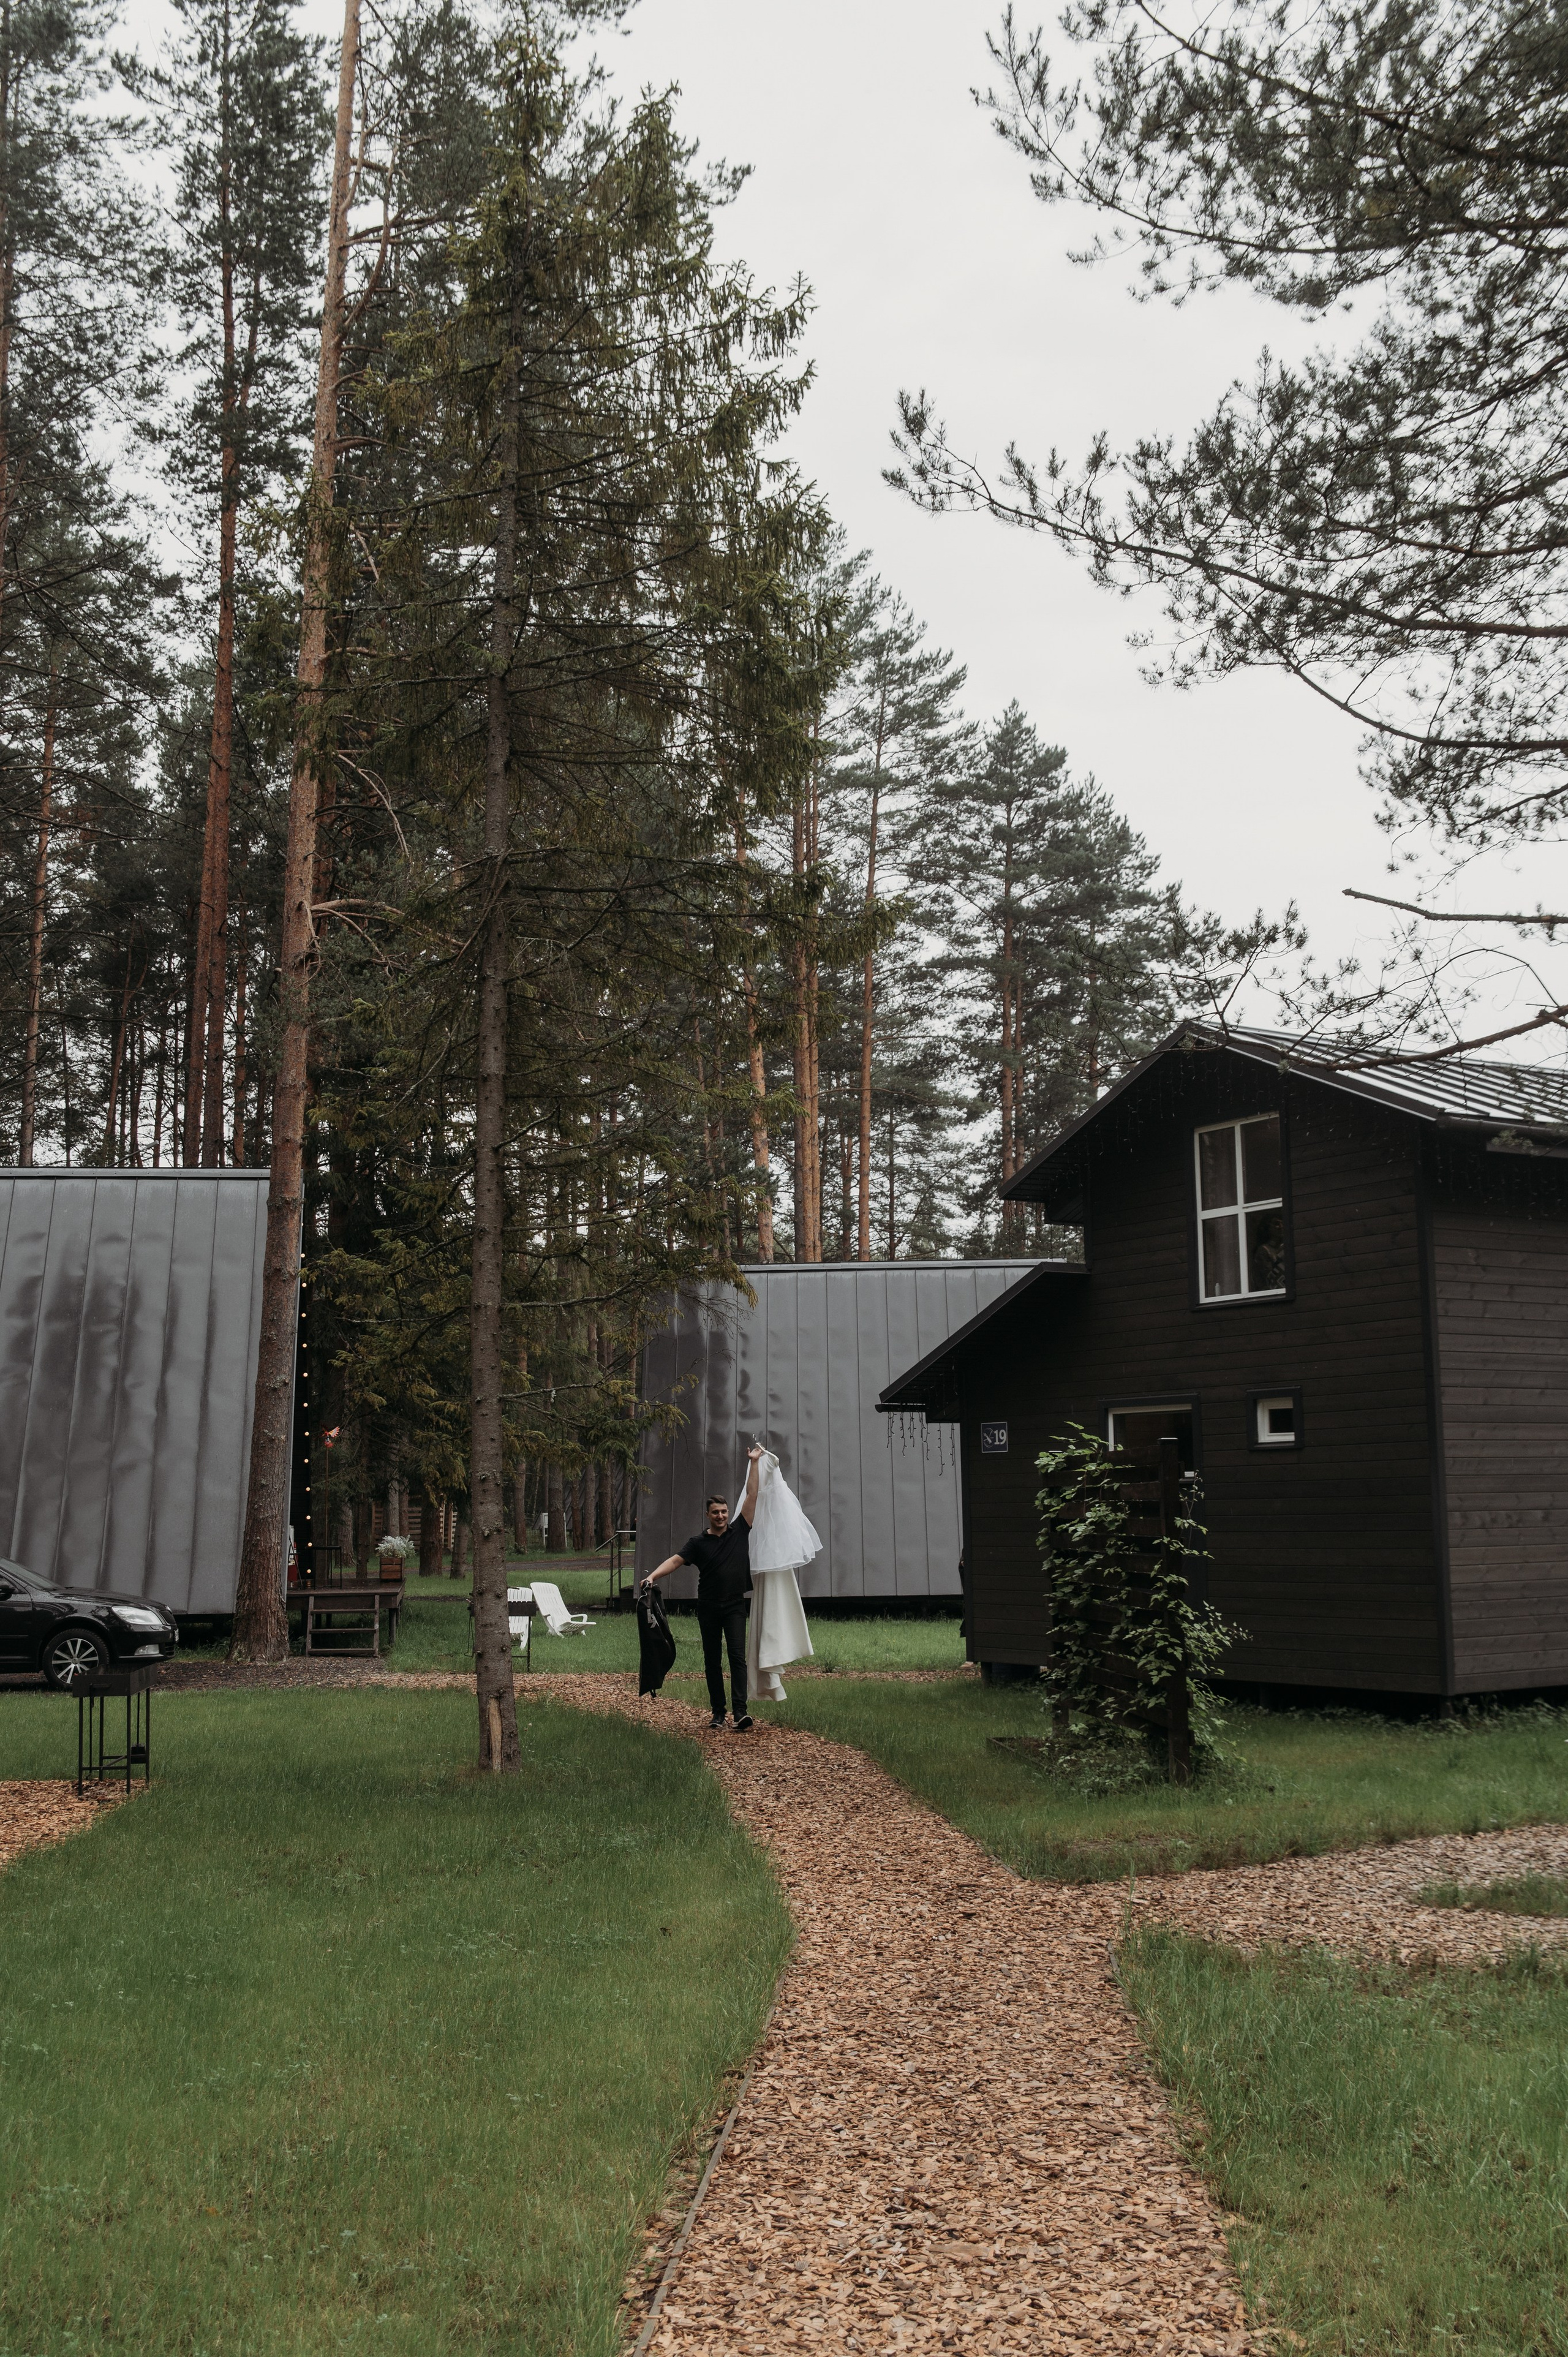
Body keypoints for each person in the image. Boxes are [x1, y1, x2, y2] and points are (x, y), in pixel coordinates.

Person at [643, 1445, 763, 1730]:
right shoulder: (698, 1543)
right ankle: (718, 1714)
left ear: (728, 1512)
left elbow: (753, 1495)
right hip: (708, 1607)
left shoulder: (740, 1530)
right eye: (715, 1513)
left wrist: (754, 1463)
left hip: (735, 1605)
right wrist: (653, 1577)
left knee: (737, 1658)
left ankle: (740, 1713)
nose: (721, 1516)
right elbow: (675, 1561)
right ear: (707, 1515)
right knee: (712, 1660)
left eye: (724, 1512)